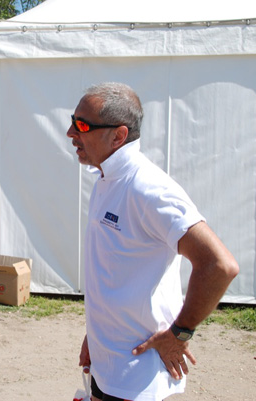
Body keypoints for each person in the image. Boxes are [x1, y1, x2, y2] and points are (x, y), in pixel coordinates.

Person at [68, 83, 239, 401]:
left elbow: (219, 265)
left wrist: (180, 333)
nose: (70, 133)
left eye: (81, 125)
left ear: (118, 136)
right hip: (109, 366)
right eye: (73, 120)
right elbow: (114, 270)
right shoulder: (105, 178)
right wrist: (95, 334)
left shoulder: (149, 189)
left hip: (138, 378)